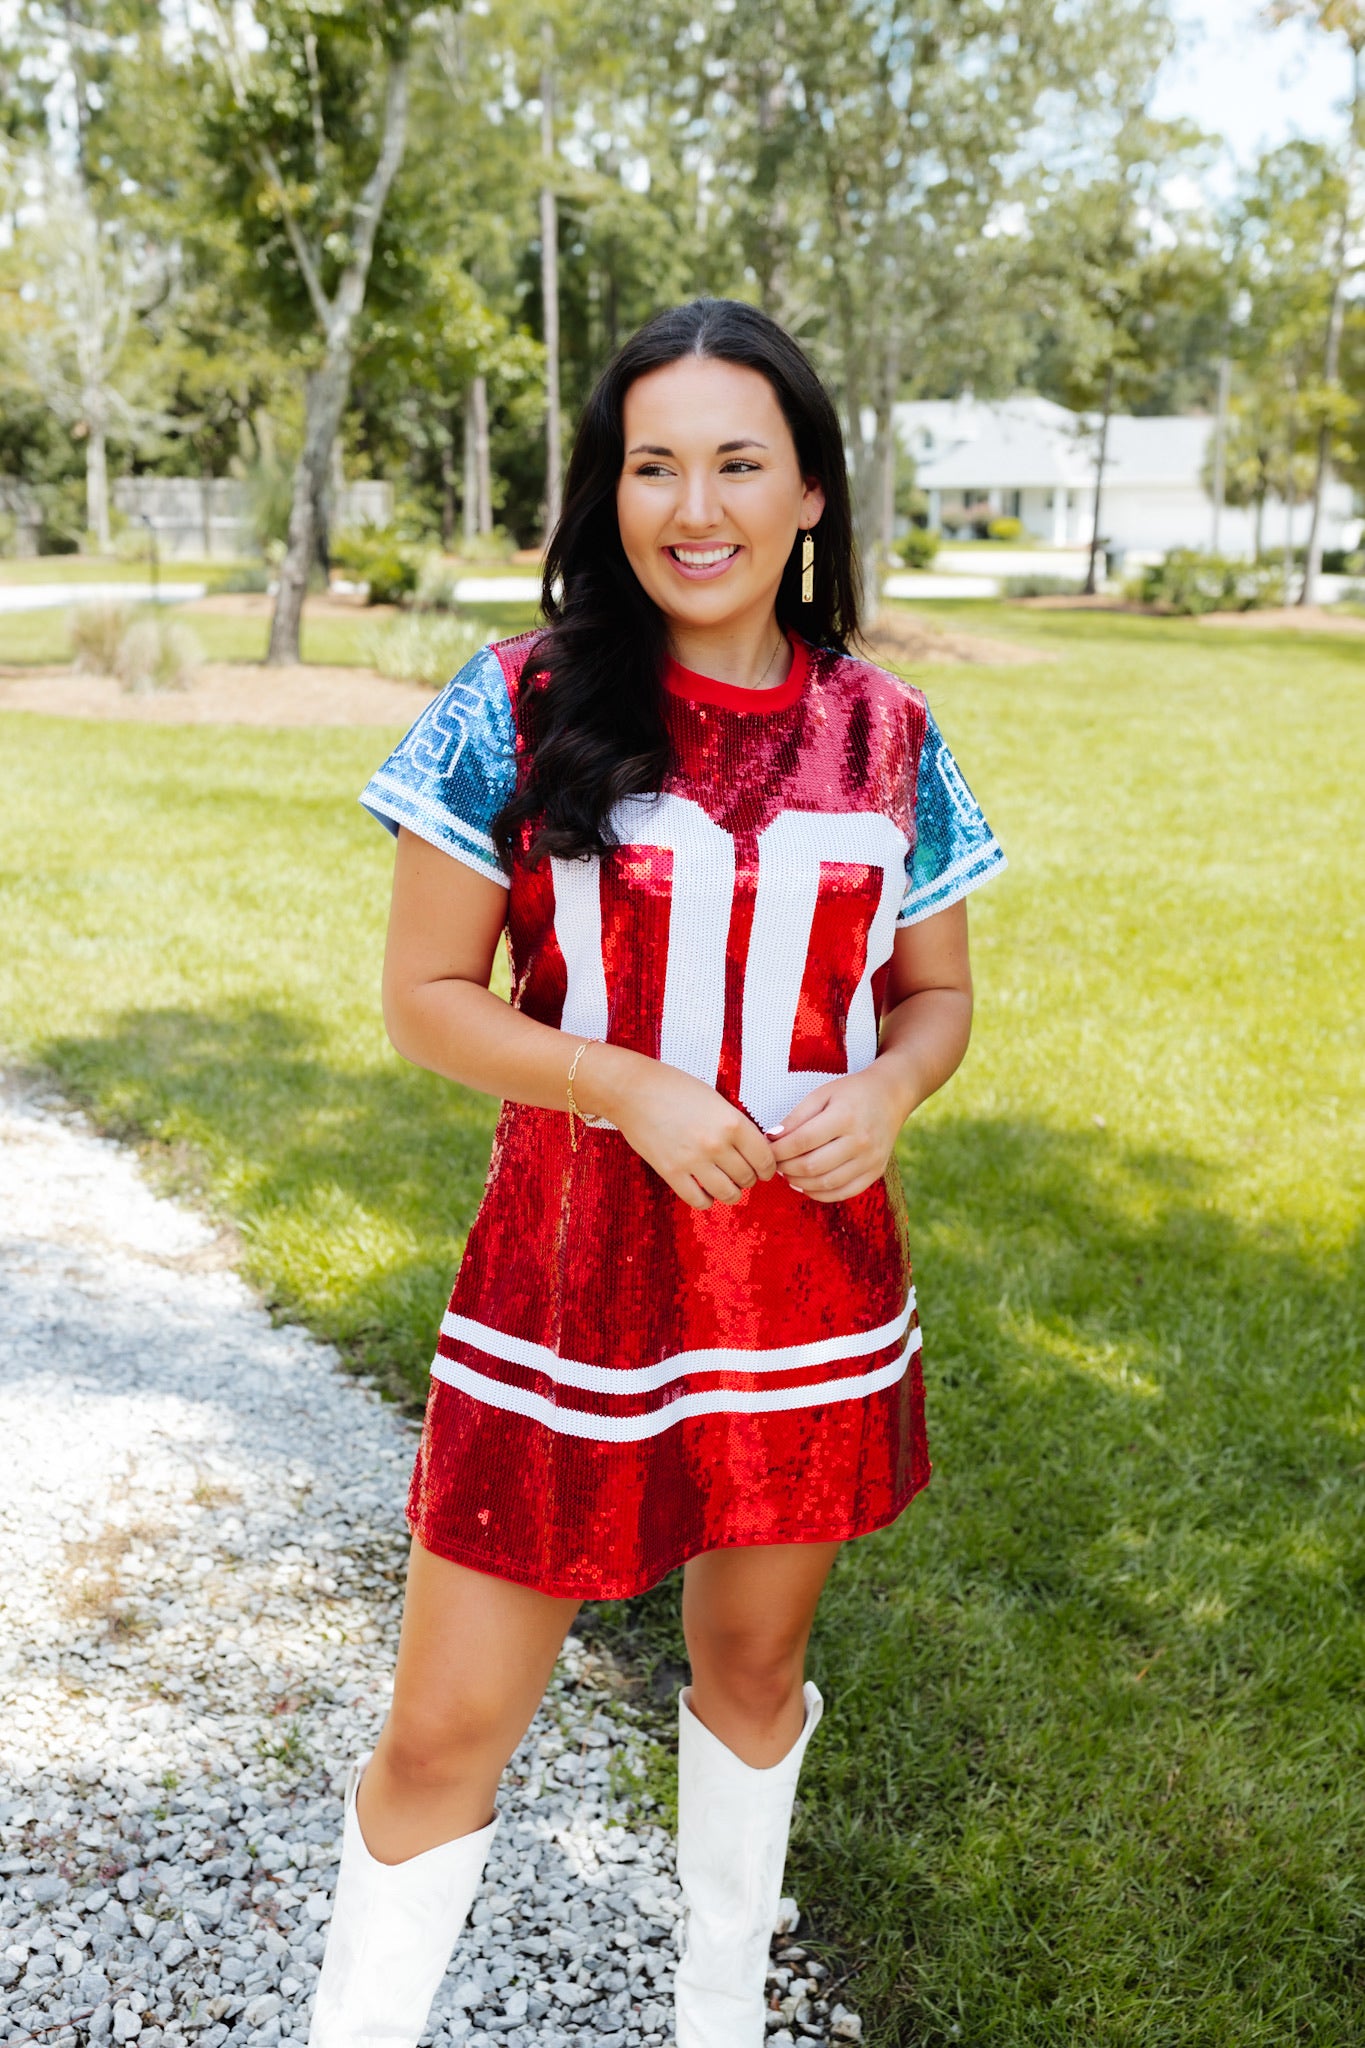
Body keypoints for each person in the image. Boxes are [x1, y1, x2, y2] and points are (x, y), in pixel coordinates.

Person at [309, 296, 1005, 2048]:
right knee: (446, 1731)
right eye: (651, 464)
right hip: (564, 1287)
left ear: (811, 497)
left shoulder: (890, 732)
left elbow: (934, 999)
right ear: (607, 492)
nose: (692, 505)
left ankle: (719, 2020)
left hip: (797, 1293)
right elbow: (422, 1001)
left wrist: (895, 1092)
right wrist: (617, 1081)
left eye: (737, 463)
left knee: (750, 1671)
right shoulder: (515, 703)